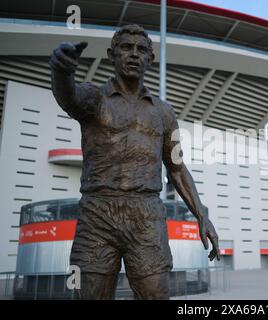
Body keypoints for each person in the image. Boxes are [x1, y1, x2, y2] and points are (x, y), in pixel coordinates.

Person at [49, 24, 220, 300]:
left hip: (146, 216)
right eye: (126, 48)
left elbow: (176, 167)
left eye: (141, 50)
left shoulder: (165, 113)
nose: (133, 54)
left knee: (156, 294)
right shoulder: (95, 99)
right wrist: (61, 70)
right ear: (111, 55)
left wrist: (202, 214)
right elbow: (67, 96)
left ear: (150, 60)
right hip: (98, 214)